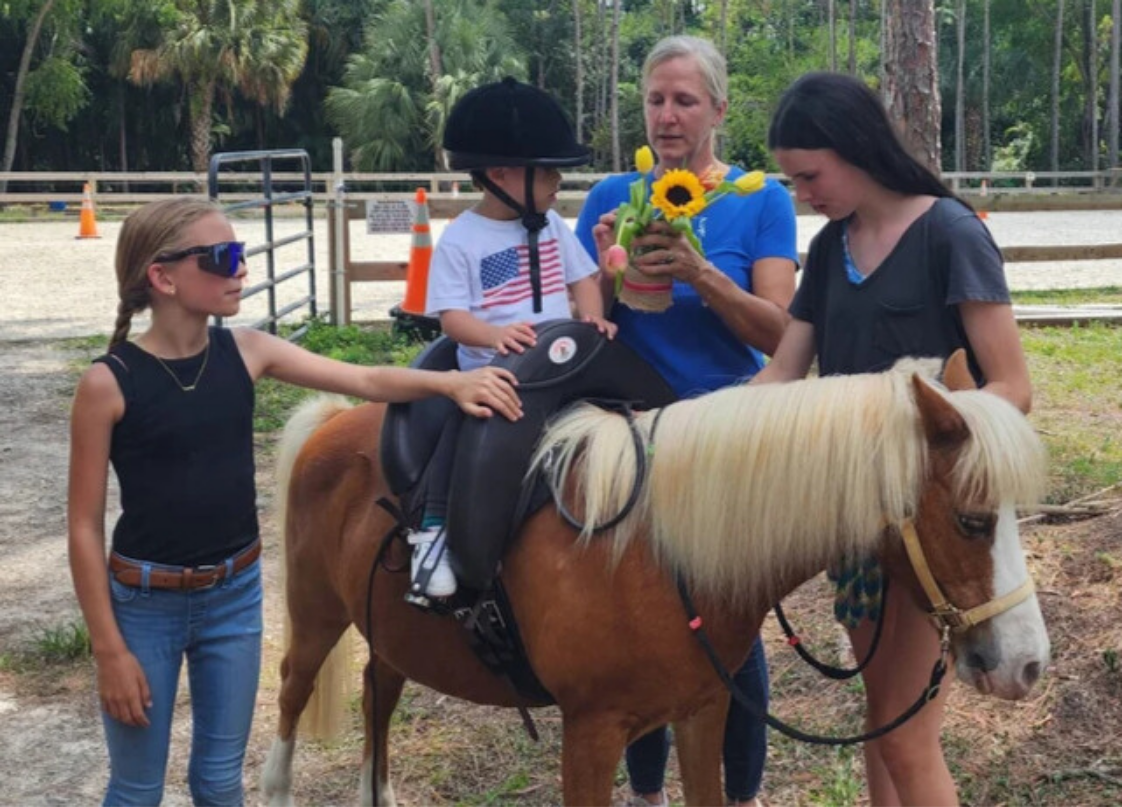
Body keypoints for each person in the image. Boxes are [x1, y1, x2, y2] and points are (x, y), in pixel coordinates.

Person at [67, 197, 522, 806]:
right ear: (163, 276)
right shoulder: (107, 384)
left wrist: (450, 382)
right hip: (144, 604)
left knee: (220, 780)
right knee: (136, 788)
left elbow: (363, 381)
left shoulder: (248, 351)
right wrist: (108, 651)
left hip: (233, 598)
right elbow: (83, 529)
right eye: (224, 257)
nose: (241, 270)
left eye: (242, 255)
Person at [758, 71, 1032, 806]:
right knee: (885, 723)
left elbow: (1011, 387)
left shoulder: (949, 231)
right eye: (793, 180)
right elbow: (782, 374)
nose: (804, 193)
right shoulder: (827, 250)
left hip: (933, 525)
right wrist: (682, 431)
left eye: (810, 174)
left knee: (905, 737)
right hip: (860, 525)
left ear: (854, 148)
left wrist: (919, 435)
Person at [576, 35, 798, 807]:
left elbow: (781, 333)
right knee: (633, 627)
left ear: (719, 110)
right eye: (655, 100)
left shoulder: (759, 200)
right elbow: (587, 326)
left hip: (726, 435)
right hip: (629, 435)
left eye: (685, 100)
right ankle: (647, 793)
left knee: (730, 628)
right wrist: (604, 269)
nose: (667, 116)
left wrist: (700, 273)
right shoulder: (611, 196)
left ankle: (739, 796)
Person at [409, 76, 615, 602]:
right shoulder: (462, 239)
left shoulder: (550, 227)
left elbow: (583, 280)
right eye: (546, 171)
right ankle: (432, 533)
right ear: (499, 174)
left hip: (558, 359)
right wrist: (495, 334)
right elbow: (452, 318)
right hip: (493, 368)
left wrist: (592, 320)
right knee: (462, 430)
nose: (556, 182)